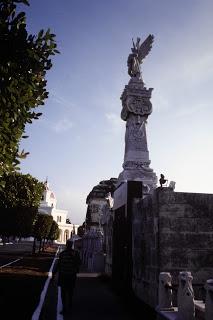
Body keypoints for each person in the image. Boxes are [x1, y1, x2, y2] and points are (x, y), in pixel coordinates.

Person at [54, 239, 81, 315]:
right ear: (71, 245)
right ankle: (69, 307)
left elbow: (58, 264)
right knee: (70, 292)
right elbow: (79, 263)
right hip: (71, 276)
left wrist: (54, 273)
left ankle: (65, 307)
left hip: (64, 275)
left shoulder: (63, 253)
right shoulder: (76, 253)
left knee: (64, 293)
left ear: (66, 245)